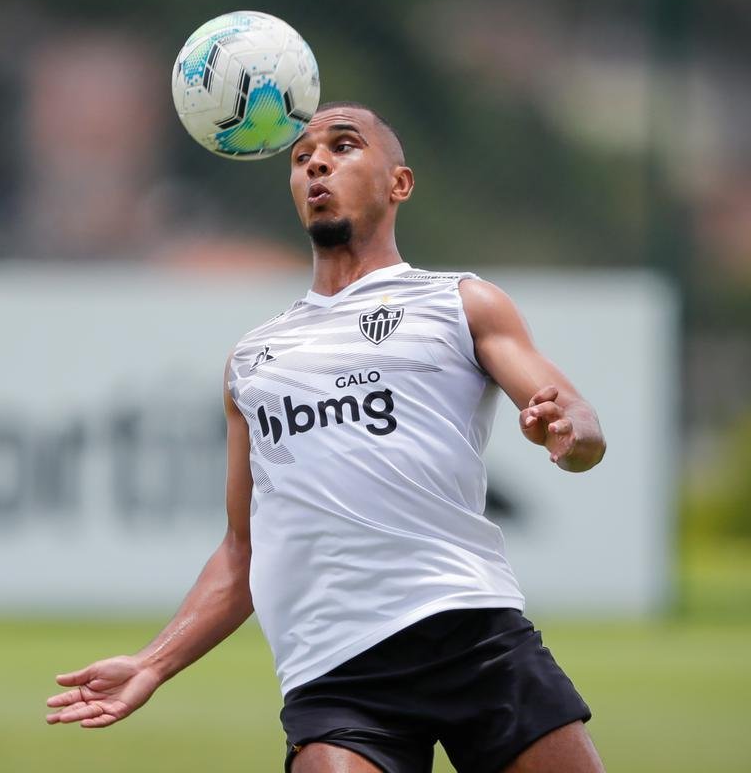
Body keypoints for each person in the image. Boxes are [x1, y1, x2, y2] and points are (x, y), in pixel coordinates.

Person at [45, 102, 608, 773]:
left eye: (344, 146)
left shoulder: (459, 302)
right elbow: (241, 550)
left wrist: (570, 432)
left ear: (399, 184)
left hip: (470, 631)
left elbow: (578, 424)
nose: (316, 162)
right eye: (301, 156)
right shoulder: (253, 358)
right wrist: (152, 662)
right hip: (336, 669)